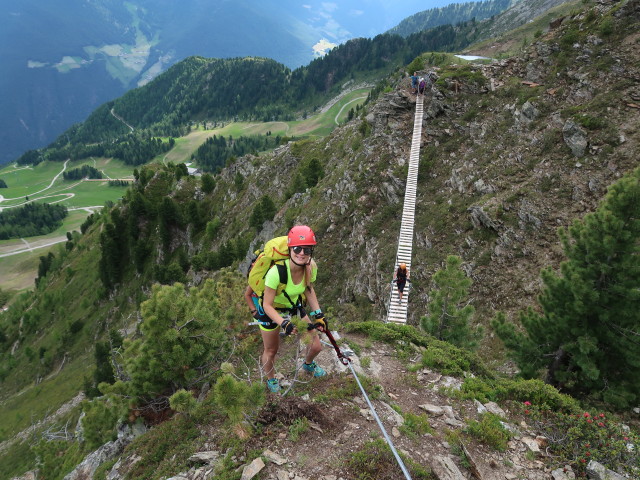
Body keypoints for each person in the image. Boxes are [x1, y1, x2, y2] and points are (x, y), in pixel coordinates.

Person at [254, 225, 328, 393]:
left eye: (307, 250)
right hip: (270, 311)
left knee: (316, 346)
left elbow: (309, 289)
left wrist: (319, 315)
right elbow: (266, 304)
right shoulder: (276, 272)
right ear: (289, 249)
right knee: (271, 350)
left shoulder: (310, 268)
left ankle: (308, 365)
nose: (302, 253)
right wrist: (283, 323)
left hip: (293, 307)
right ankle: (271, 379)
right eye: (297, 248)